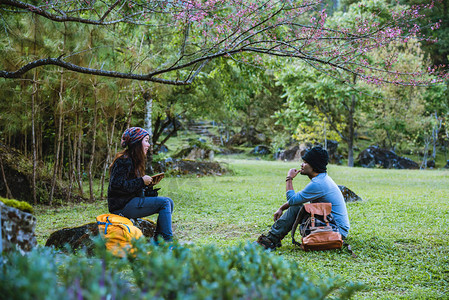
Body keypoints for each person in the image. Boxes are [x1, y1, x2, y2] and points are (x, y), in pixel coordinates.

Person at [256, 146, 350, 250]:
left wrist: (289, 178)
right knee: (297, 207)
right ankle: (273, 239)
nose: (302, 165)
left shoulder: (319, 183)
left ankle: (270, 240)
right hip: (333, 225)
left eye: (305, 162)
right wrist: (282, 208)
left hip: (336, 230)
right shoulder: (321, 179)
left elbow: (292, 200)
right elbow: (298, 199)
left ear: (314, 166)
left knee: (296, 207)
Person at [107, 127, 174, 242]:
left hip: (129, 201)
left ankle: (158, 241)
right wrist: (141, 181)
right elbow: (116, 186)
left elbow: (131, 187)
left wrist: (148, 186)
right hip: (121, 206)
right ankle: (168, 242)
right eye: (146, 140)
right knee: (165, 203)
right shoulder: (124, 160)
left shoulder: (134, 160)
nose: (148, 145)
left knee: (169, 202)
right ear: (137, 143)